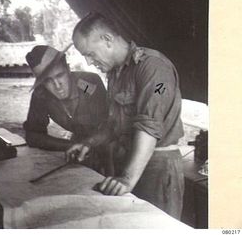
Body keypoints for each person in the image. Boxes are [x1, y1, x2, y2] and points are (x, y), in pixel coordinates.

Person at [67, 12, 185, 219]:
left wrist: (127, 178)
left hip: (157, 167)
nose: (88, 62)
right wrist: (90, 143)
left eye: (90, 54)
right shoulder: (116, 73)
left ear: (107, 39)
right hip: (130, 162)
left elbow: (149, 124)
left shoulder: (155, 68)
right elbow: (114, 124)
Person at [23, 45, 109, 173]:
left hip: (109, 144)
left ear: (68, 69)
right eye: (48, 81)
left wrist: (89, 143)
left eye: (60, 75)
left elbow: (111, 124)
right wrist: (70, 146)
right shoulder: (42, 95)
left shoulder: (85, 85)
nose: (57, 86)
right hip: (78, 148)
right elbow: (33, 135)